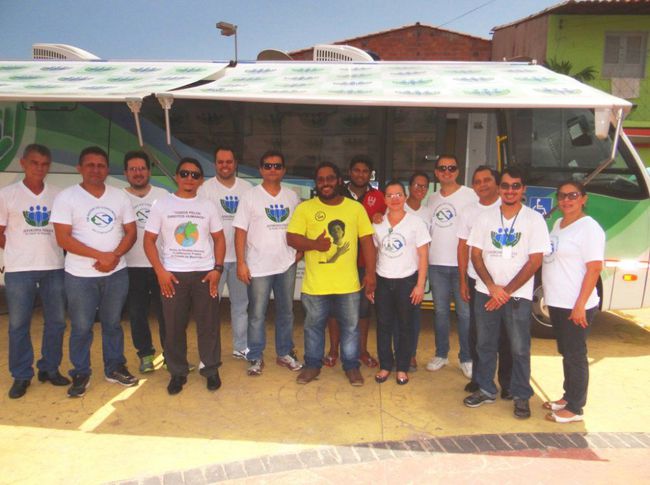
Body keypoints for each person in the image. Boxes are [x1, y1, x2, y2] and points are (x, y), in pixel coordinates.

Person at [464, 166, 551, 419]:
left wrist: (506, 291)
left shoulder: (534, 219)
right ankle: (485, 389)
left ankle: (521, 395)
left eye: (515, 186)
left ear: (523, 189)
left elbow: (535, 261)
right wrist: (493, 288)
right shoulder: (485, 218)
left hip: (517, 297)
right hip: (485, 292)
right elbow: (475, 255)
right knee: (484, 344)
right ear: (499, 188)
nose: (510, 190)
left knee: (519, 348)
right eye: (505, 186)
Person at [52, 146, 138, 398]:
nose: (96, 170)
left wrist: (114, 256)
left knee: (112, 324)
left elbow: (131, 232)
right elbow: (63, 238)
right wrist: (101, 256)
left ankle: (114, 367)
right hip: (80, 276)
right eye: (90, 165)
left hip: (116, 273)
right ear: (79, 168)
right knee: (81, 327)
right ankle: (81, 372)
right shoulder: (66, 197)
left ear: (107, 169)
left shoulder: (119, 197)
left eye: (101, 165)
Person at [287, 162, 376, 386]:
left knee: (351, 328)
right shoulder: (305, 208)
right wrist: (314, 244)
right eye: (320, 180)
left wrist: (371, 274)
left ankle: (351, 366)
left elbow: (367, 241)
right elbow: (292, 238)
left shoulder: (355, 209)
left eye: (330, 178)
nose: (325, 183)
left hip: (348, 284)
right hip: (315, 285)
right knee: (313, 327)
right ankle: (312, 365)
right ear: (316, 184)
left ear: (338, 180)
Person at [143, 157, 226, 395]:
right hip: (173, 275)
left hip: (204, 274)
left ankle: (210, 369)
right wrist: (160, 272)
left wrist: (217, 269)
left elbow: (219, 239)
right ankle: (177, 372)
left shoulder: (208, 206)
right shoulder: (162, 204)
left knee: (208, 325)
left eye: (195, 175)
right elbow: (148, 240)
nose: (190, 178)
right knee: (173, 326)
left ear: (201, 180)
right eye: (185, 173)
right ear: (177, 176)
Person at [0, 144, 69, 399]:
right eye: (34, 163)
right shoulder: (7, 195)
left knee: (57, 322)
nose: (40, 168)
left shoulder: (58, 195)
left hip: (54, 267)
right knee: (19, 324)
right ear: (23, 163)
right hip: (20, 269)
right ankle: (21, 375)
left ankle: (49, 368)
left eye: (44, 164)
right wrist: (18, 249)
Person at [233, 150, 302, 377]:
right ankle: (255, 356)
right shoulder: (250, 196)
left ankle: (285, 353)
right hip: (258, 266)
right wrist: (241, 263)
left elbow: (301, 228)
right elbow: (240, 231)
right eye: (268, 166)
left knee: (286, 312)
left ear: (284, 170)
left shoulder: (292, 197)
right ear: (261, 169)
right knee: (256, 314)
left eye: (277, 166)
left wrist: (300, 252)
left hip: (286, 264)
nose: (273, 169)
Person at [542, 181, 605, 423]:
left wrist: (580, 304)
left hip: (576, 305)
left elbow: (594, 268)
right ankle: (568, 397)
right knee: (567, 352)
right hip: (558, 301)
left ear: (583, 199)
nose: (566, 200)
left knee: (576, 354)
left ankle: (576, 408)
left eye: (573, 195)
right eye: (562, 196)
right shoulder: (558, 223)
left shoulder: (589, 228)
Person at [324, 155, 385, 368]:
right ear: (349, 172)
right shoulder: (337, 193)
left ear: (370, 174)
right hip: (339, 262)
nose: (361, 174)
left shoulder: (379, 197)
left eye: (365, 171)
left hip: (364, 263)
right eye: (357, 170)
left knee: (363, 309)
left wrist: (381, 217)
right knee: (334, 308)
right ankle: (333, 350)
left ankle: (362, 351)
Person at [457, 166, 513, 399]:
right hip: (477, 281)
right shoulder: (469, 212)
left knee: (506, 335)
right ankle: (479, 379)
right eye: (477, 181)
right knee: (477, 333)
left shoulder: (509, 208)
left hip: (507, 284)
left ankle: (507, 382)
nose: (482, 185)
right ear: (473, 186)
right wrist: (463, 280)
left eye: (487, 180)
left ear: (497, 184)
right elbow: (463, 247)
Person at [373, 181, 430, 385]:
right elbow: (375, 252)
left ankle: (402, 368)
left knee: (406, 325)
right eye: (390, 195)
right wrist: (372, 283)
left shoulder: (416, 223)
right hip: (383, 280)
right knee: (383, 325)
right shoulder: (378, 223)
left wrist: (420, 285)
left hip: (407, 280)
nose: (395, 199)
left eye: (398, 194)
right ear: (385, 199)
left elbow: (423, 255)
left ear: (405, 197)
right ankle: (385, 365)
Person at [198, 145, 252, 360]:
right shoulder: (205, 189)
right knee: (210, 309)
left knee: (241, 307)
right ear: (215, 164)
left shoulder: (247, 188)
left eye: (229, 161)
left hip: (240, 260)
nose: (225, 165)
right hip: (213, 262)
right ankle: (210, 352)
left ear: (235, 164)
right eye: (220, 162)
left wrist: (244, 260)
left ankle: (241, 347)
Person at [425, 155, 477, 378]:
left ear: (458, 171)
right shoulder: (431, 199)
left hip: (462, 265)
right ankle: (441, 354)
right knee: (440, 312)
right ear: (436, 172)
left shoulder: (471, 195)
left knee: (465, 314)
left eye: (451, 168)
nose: (447, 171)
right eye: (442, 168)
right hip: (437, 265)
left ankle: (466, 358)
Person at [122, 150, 169, 373]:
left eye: (142, 168)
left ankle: (171, 355)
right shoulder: (118, 197)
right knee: (137, 313)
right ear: (126, 173)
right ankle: (146, 355)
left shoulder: (163, 195)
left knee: (167, 314)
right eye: (133, 169)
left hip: (161, 266)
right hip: (131, 266)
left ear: (149, 171)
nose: (138, 173)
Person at [403, 171, 433, 371]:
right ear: (409, 187)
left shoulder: (427, 213)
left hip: (416, 271)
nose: (420, 189)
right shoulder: (397, 207)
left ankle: (410, 355)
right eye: (417, 185)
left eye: (424, 186)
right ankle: (396, 353)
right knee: (395, 317)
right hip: (395, 270)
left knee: (413, 316)